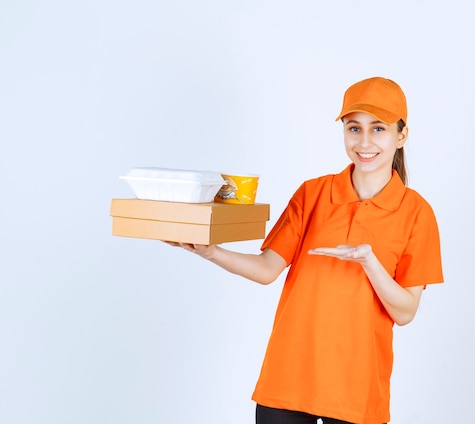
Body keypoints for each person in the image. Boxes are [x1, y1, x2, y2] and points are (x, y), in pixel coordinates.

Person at [166, 76, 444, 424]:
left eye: (379, 129)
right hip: (288, 378)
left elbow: (405, 312)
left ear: (401, 136)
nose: (365, 141)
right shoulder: (312, 194)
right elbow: (268, 269)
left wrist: (369, 263)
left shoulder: (416, 213)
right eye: (354, 128)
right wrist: (210, 252)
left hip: (355, 390)